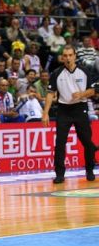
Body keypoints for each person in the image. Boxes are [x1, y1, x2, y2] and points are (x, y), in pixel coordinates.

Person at [42, 45, 97, 184]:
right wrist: (45, 113)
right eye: (65, 56)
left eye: (70, 55)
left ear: (75, 56)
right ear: (62, 57)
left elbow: (93, 91)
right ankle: (60, 174)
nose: (67, 58)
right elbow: (50, 93)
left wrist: (82, 94)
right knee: (60, 143)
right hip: (63, 110)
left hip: (80, 108)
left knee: (86, 141)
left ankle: (89, 170)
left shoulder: (84, 71)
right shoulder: (56, 73)